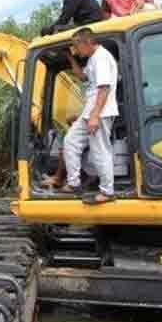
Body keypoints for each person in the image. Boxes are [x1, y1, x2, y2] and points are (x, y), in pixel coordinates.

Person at [60, 28, 118, 205]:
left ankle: (107, 192)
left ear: (87, 42)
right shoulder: (93, 59)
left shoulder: (101, 57)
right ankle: (74, 183)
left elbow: (104, 88)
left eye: (76, 47)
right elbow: (83, 77)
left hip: (100, 112)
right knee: (71, 142)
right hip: (90, 111)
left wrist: (94, 116)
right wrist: (70, 58)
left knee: (100, 150)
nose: (76, 51)